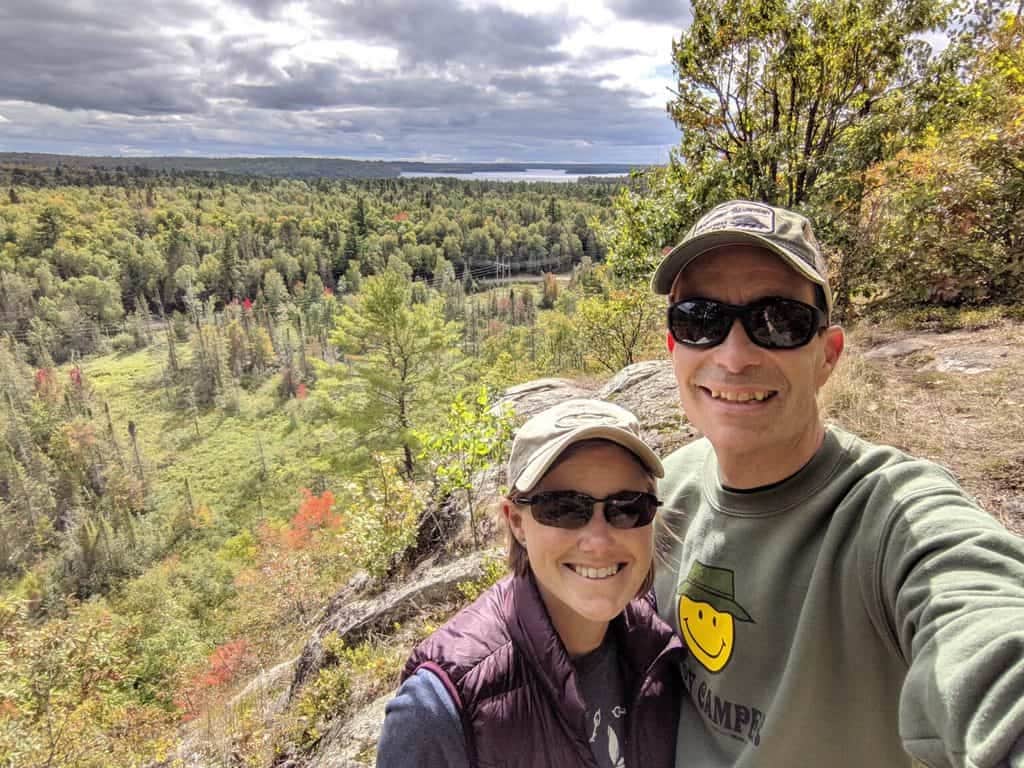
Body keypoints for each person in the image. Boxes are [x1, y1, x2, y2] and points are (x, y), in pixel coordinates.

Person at [650, 199, 1024, 768]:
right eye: (699, 319)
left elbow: (985, 623)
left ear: (828, 355)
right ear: (674, 347)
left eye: (778, 321)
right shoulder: (663, 491)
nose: (734, 355)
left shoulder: (891, 518)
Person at [376, 398, 684, 768]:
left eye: (628, 507)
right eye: (564, 508)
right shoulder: (442, 706)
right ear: (517, 522)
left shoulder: (663, 649)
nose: (599, 541)